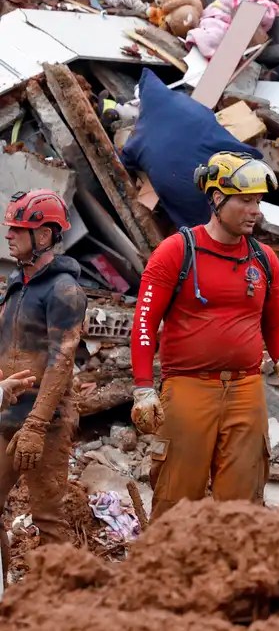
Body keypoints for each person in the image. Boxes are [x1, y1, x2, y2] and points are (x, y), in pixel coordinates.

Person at [130, 152, 279, 519]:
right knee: (177, 499)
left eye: (258, 201)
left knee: (241, 504)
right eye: (245, 200)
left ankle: (231, 575)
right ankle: (165, 573)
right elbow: (144, 323)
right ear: (217, 198)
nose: (256, 210)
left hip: (246, 390)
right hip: (189, 388)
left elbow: (277, 322)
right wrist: (144, 389)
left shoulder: (264, 259)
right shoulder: (176, 252)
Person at [0, 190, 85, 575]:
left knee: (49, 519)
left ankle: (62, 607)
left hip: (44, 424)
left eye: (19, 229)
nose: (9, 235)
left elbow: (61, 359)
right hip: (5, 415)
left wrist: (36, 424)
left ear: (46, 236)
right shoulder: (18, 285)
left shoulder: (64, 289)